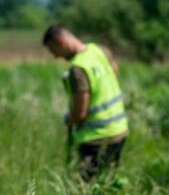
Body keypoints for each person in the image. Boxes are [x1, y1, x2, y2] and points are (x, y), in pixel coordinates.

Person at [42, 25, 128, 181]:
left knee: (87, 186)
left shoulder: (78, 69)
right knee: (109, 182)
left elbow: (80, 113)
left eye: (54, 51)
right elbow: (115, 73)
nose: (56, 57)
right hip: (119, 130)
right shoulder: (99, 51)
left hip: (96, 137)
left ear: (61, 42)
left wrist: (69, 119)